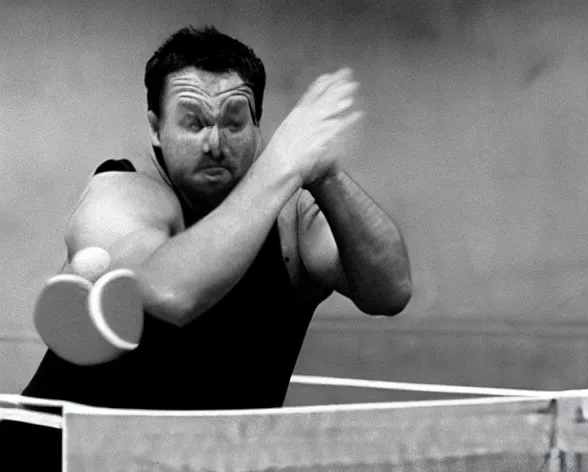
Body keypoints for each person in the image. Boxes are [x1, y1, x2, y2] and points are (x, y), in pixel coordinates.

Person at [21, 25, 412, 411]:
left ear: (258, 126)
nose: (215, 143)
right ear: (157, 128)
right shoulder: (123, 195)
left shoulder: (292, 216)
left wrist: (326, 173)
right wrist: (280, 164)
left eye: (234, 122)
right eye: (193, 123)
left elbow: (390, 292)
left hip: (204, 469)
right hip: (56, 460)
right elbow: (170, 293)